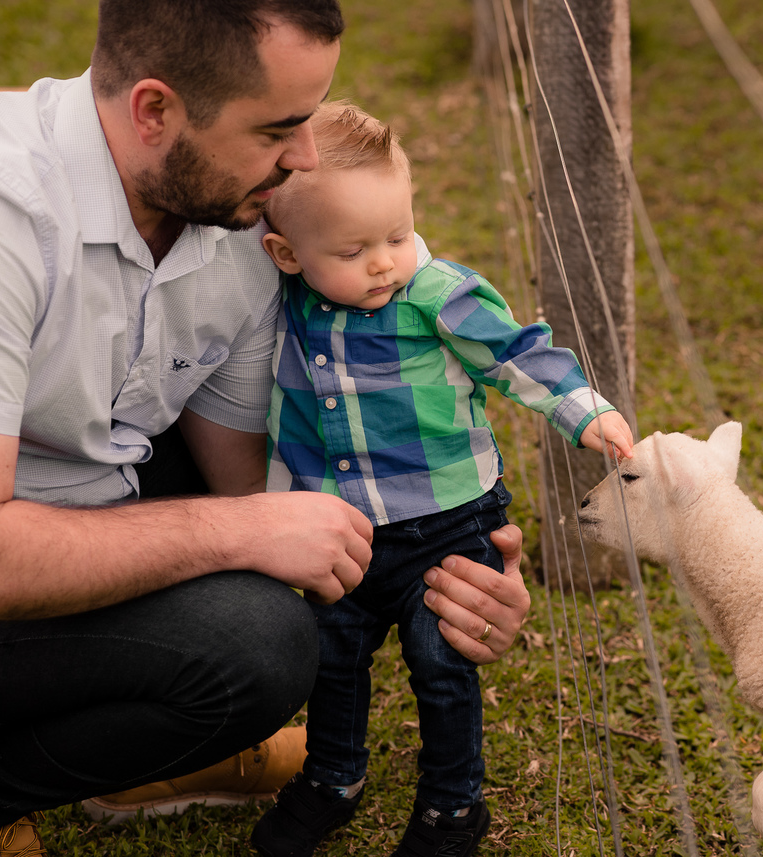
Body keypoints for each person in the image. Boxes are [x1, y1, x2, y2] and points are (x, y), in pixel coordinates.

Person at [0, 2, 530, 854]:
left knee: (282, 606)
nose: (304, 158)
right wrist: (234, 531)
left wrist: (452, 567)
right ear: (155, 111)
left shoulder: (243, 216)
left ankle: (131, 745)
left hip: (83, 494)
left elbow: (255, 481)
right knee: (257, 644)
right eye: (278, 128)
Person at [248, 101, 635, 857]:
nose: (386, 260)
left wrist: (583, 412)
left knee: (440, 655)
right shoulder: (284, 304)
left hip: (449, 520)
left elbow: (518, 352)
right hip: (344, 528)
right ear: (286, 254)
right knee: (334, 652)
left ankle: (453, 804)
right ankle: (333, 777)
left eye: (398, 233)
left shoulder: (436, 294)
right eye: (356, 248)